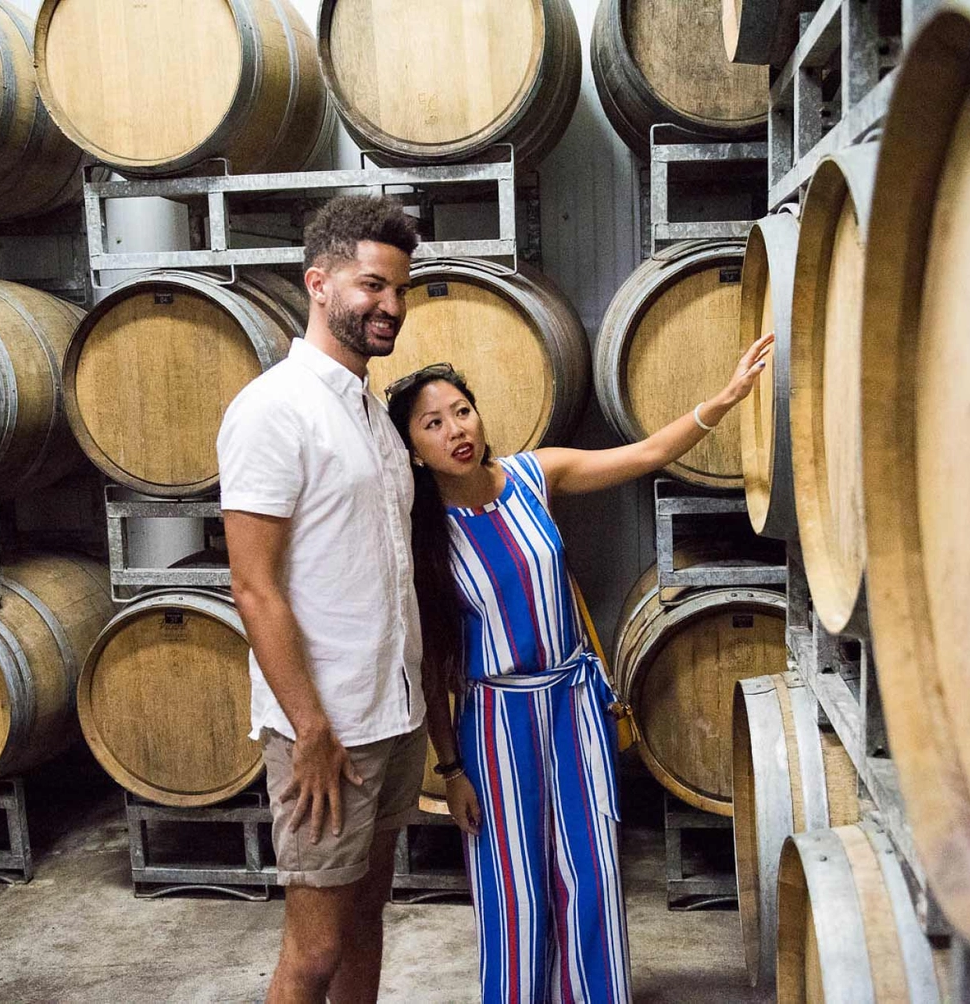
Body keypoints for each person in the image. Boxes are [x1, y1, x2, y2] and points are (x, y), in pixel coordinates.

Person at [384, 332, 773, 1002]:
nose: (456, 430)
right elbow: (435, 665)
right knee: (516, 888)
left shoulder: (535, 476)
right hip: (496, 721)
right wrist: (448, 770)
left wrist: (726, 398)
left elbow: (646, 453)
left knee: (589, 872)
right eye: (433, 423)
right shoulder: (421, 534)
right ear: (414, 450)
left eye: (462, 411)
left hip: (573, 703)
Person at [216, 195, 426, 1004]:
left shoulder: (372, 410)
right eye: (373, 287)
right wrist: (308, 727)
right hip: (327, 728)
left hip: (389, 716)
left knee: (366, 919)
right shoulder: (273, 411)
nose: (391, 308)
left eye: (401, 291)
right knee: (311, 952)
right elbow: (253, 586)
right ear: (319, 283)